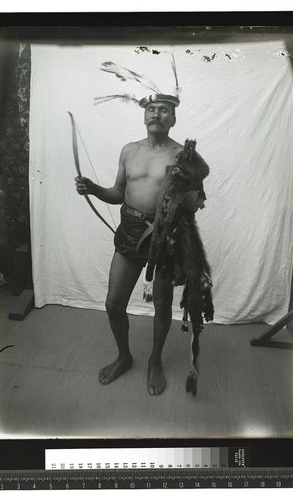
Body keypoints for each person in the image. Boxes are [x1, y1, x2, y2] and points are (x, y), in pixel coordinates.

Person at [75, 94, 205, 396]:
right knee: (113, 303)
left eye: (163, 111)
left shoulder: (184, 157)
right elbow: (118, 192)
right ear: (144, 116)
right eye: (151, 110)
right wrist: (93, 189)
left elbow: (194, 205)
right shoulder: (129, 150)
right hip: (130, 233)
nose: (156, 114)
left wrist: (185, 181)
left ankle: (155, 360)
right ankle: (124, 355)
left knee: (161, 305)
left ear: (173, 119)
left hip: (163, 239)